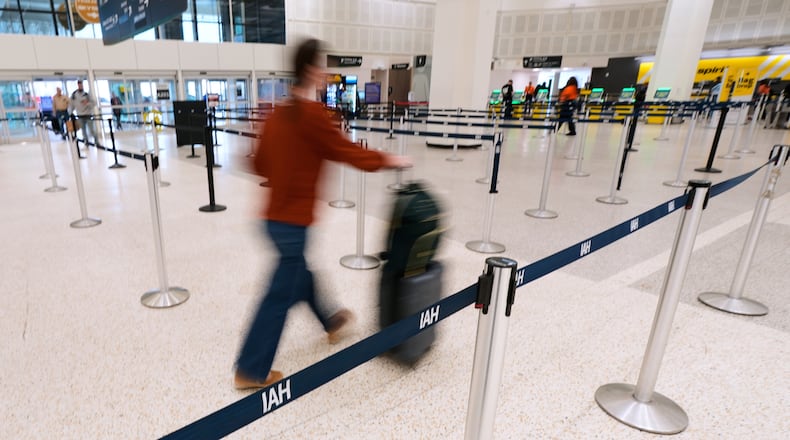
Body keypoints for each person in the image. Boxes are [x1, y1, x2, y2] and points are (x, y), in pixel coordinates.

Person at [234, 38, 411, 390]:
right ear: (313, 70)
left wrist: (283, 173)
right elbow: (348, 153)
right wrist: (391, 160)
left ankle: (332, 322)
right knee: (278, 295)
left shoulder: (276, 113)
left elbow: (258, 164)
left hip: (270, 219)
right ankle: (250, 370)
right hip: (292, 223)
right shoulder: (312, 116)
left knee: (299, 274)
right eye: (322, 66)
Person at [70, 80, 99, 146]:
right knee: (83, 131)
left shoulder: (86, 94)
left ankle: (97, 142)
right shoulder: (74, 95)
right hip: (80, 115)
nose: (80, 86)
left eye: (81, 85)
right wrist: (70, 112)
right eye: (79, 85)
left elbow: (94, 103)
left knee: (92, 130)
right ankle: (86, 142)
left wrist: (87, 103)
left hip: (88, 115)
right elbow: (72, 105)